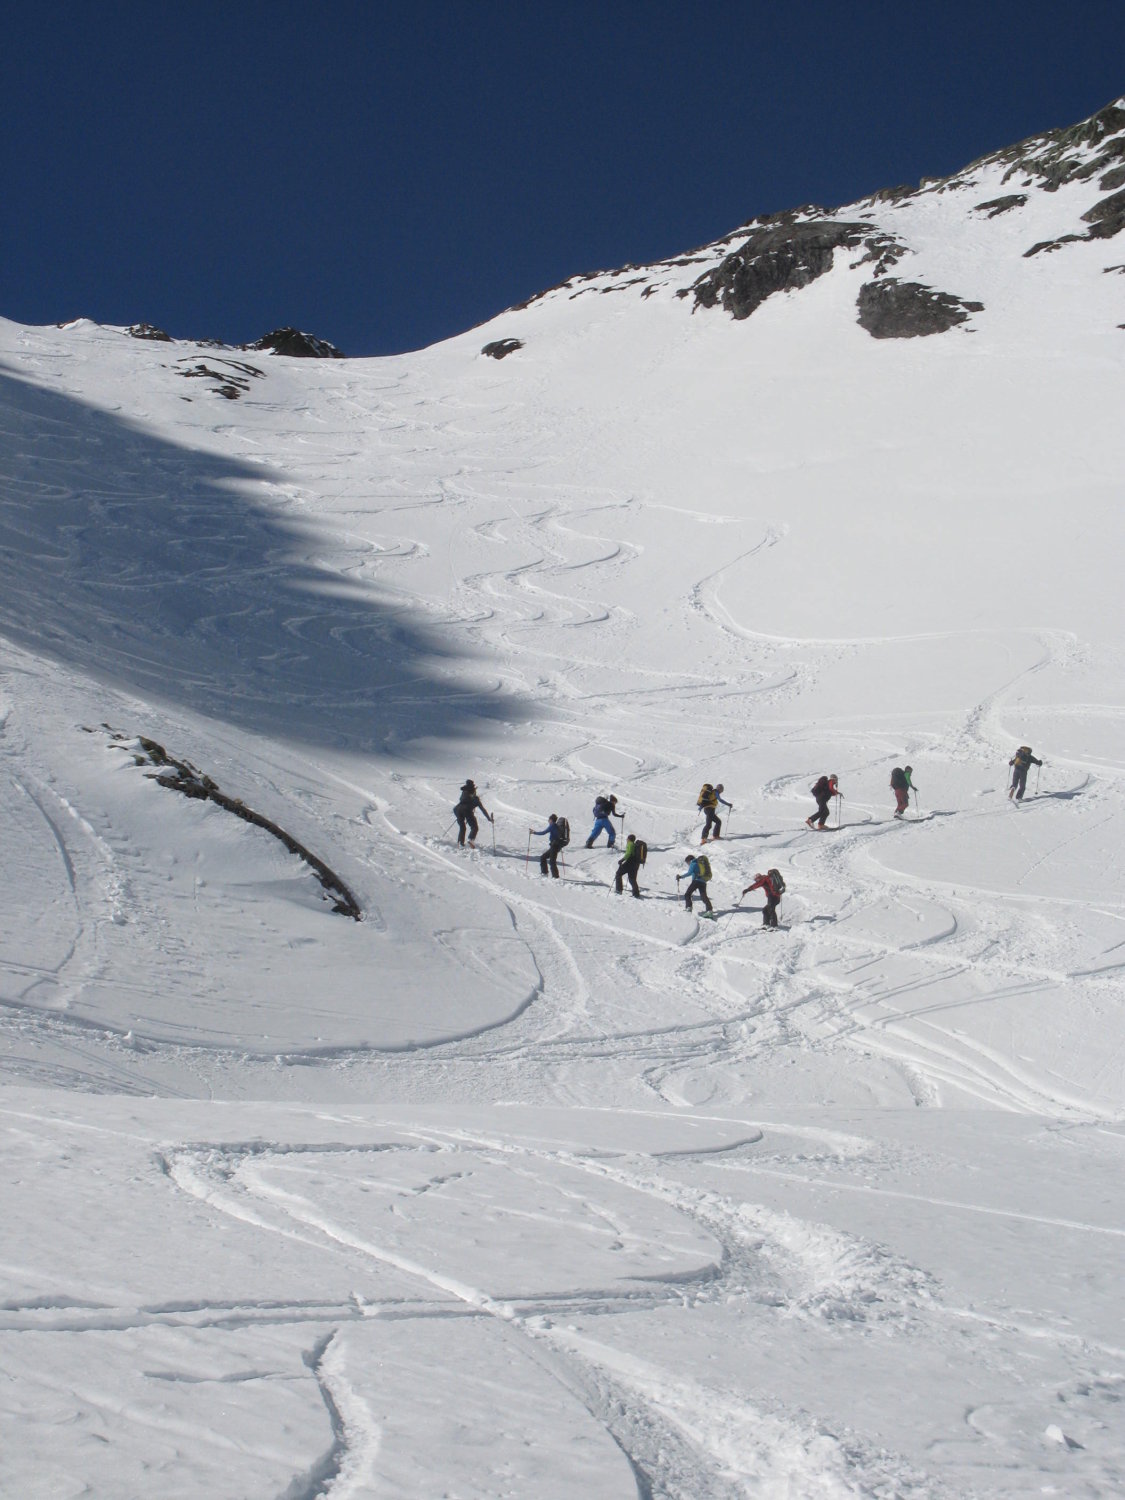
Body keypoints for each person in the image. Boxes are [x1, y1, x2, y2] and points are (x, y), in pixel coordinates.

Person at [454, 780, 492, 847]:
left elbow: (462, 800)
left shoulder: (464, 792)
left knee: (462, 827)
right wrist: (489, 818)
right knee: (474, 827)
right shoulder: (476, 799)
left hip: (457, 809)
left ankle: (460, 843)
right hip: (467, 810)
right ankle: (471, 839)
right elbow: (482, 809)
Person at [530, 813, 566, 877]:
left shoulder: (552, 826)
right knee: (543, 857)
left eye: (549, 819)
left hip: (555, 845)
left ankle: (555, 876)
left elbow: (543, 832)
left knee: (552, 861)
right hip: (556, 845)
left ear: (551, 820)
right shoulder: (555, 826)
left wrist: (534, 832)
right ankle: (545, 873)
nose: (548, 821)